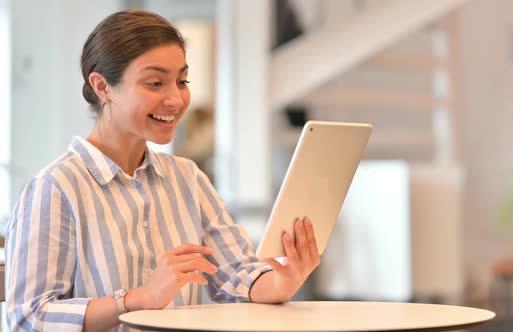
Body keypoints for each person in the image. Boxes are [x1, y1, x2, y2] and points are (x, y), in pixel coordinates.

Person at [5, 9, 320, 332]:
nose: (176, 99)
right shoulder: (56, 188)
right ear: (102, 87)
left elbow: (238, 275)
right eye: (155, 83)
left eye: (182, 81)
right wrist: (136, 299)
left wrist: (284, 281)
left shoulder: (188, 178)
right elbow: (28, 317)